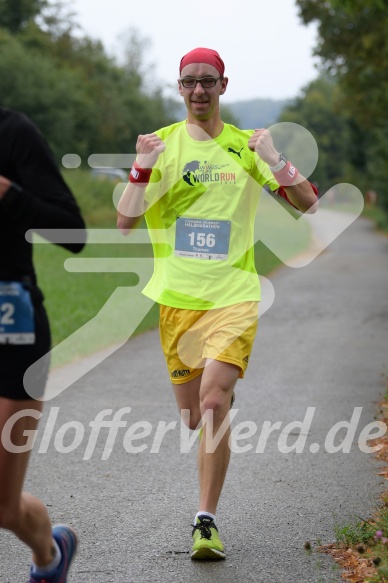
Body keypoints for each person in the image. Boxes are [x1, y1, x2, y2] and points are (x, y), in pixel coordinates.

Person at [117, 47, 318, 560]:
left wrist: (275, 158)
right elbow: (125, 221)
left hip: (233, 296)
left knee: (212, 403)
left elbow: (308, 203)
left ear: (224, 86)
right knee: (194, 416)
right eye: (190, 82)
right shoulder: (159, 146)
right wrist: (141, 169)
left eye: (209, 81)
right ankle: (219, 395)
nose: (199, 90)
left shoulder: (246, 147)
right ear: (179, 88)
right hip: (177, 301)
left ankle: (205, 521)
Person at [0, 106, 86, 581]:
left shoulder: (12, 133)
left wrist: (8, 192)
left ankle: (51, 554)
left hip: (12, 329)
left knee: (4, 508)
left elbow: (74, 233)